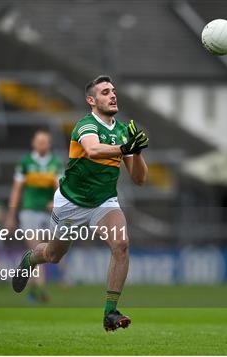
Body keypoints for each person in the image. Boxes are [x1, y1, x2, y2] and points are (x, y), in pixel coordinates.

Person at [12, 75, 149, 331]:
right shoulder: (86, 125)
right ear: (91, 100)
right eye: (105, 92)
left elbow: (139, 179)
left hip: (104, 202)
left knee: (121, 245)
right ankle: (30, 259)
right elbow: (93, 150)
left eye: (113, 91)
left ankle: (110, 312)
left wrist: (137, 152)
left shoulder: (121, 132)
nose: (112, 95)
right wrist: (125, 147)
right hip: (70, 203)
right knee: (53, 256)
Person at [5, 128, 63, 303]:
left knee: (45, 252)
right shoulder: (26, 162)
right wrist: (11, 215)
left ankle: (32, 288)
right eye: (39, 142)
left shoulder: (55, 163)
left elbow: (59, 186)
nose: (42, 145)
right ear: (34, 144)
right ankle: (41, 289)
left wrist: (57, 201)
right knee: (35, 247)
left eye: (45, 142)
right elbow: (17, 190)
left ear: (49, 144)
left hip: (47, 214)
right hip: (29, 211)